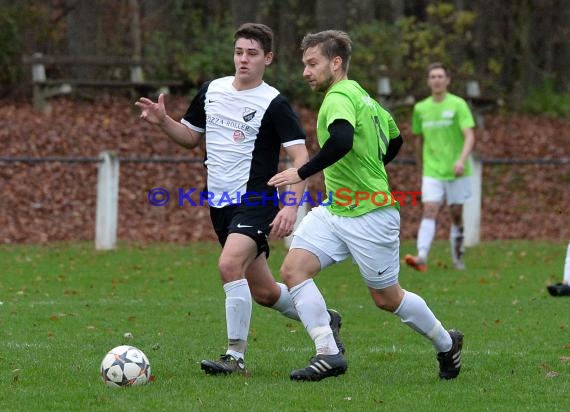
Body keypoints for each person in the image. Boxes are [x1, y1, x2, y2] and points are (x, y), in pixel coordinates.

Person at [135, 23, 344, 376]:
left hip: (256, 201)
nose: (243, 60)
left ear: (268, 58)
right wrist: (163, 122)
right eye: (239, 52)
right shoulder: (212, 90)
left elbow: (299, 158)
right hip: (219, 205)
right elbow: (189, 138)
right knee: (263, 291)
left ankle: (235, 356)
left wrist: (291, 206)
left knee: (228, 265)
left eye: (251, 53)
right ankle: (326, 317)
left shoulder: (274, 103)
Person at [268, 30, 463, 382]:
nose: (306, 72)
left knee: (387, 298)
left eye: (313, 64)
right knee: (293, 270)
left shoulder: (340, 95)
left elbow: (341, 139)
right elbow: (396, 138)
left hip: (371, 216)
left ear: (336, 62)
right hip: (335, 210)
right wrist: (368, 166)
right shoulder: (364, 97)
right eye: (304, 64)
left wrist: (302, 171)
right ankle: (328, 353)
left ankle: (447, 343)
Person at [404, 62, 476, 272]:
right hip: (432, 171)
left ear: (447, 80)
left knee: (456, 213)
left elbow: (470, 135)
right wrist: (421, 166)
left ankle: (458, 257)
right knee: (430, 209)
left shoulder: (458, 105)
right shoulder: (421, 108)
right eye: (433, 77)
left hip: (457, 171)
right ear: (428, 81)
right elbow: (418, 140)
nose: (436, 80)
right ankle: (422, 256)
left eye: (440, 76)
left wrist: (461, 160)